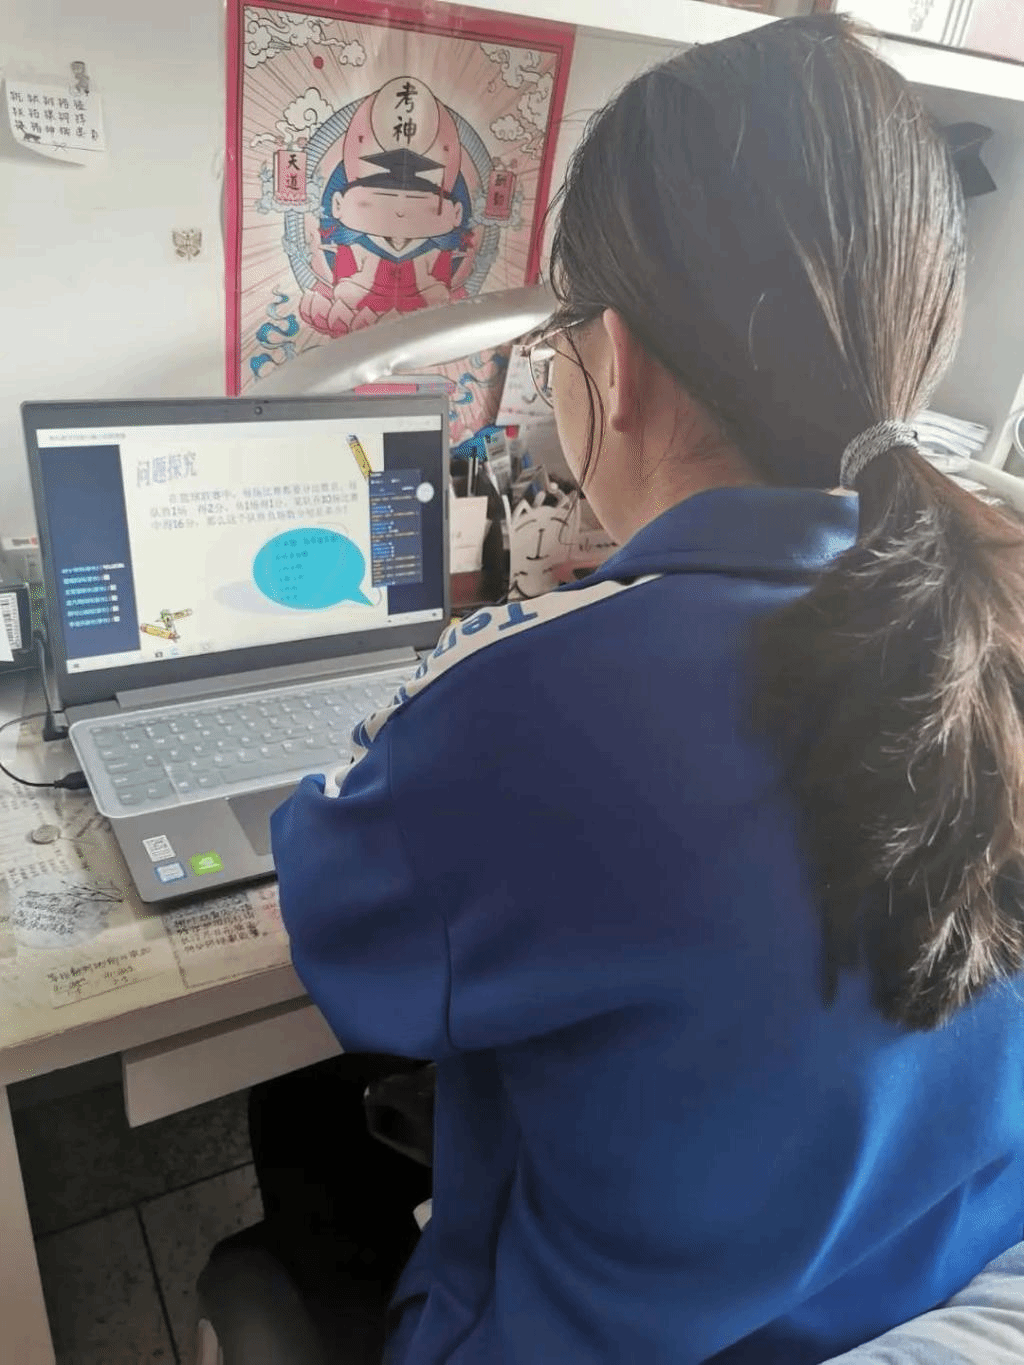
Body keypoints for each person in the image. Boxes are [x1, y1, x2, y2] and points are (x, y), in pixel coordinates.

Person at [267, 13, 1024, 1364]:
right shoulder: (994, 604)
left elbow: (344, 933)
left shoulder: (545, 701)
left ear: (610, 362)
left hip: (611, 1337)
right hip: (919, 1283)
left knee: (290, 1120)